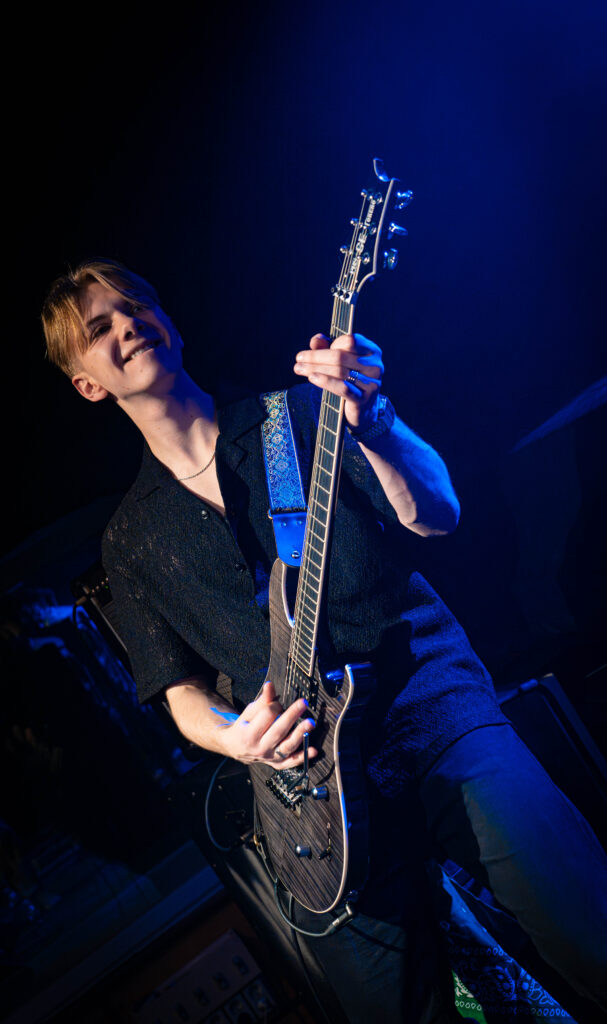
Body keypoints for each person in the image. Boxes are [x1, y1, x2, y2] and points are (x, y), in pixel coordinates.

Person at [42, 259, 607, 1022]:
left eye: (136, 306)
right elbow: (178, 692)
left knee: (587, 930)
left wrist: (376, 422)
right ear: (87, 385)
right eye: (100, 327)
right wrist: (235, 738)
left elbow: (436, 514)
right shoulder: (131, 539)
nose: (128, 325)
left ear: (168, 322)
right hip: (311, 797)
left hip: (431, 716)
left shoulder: (296, 417)